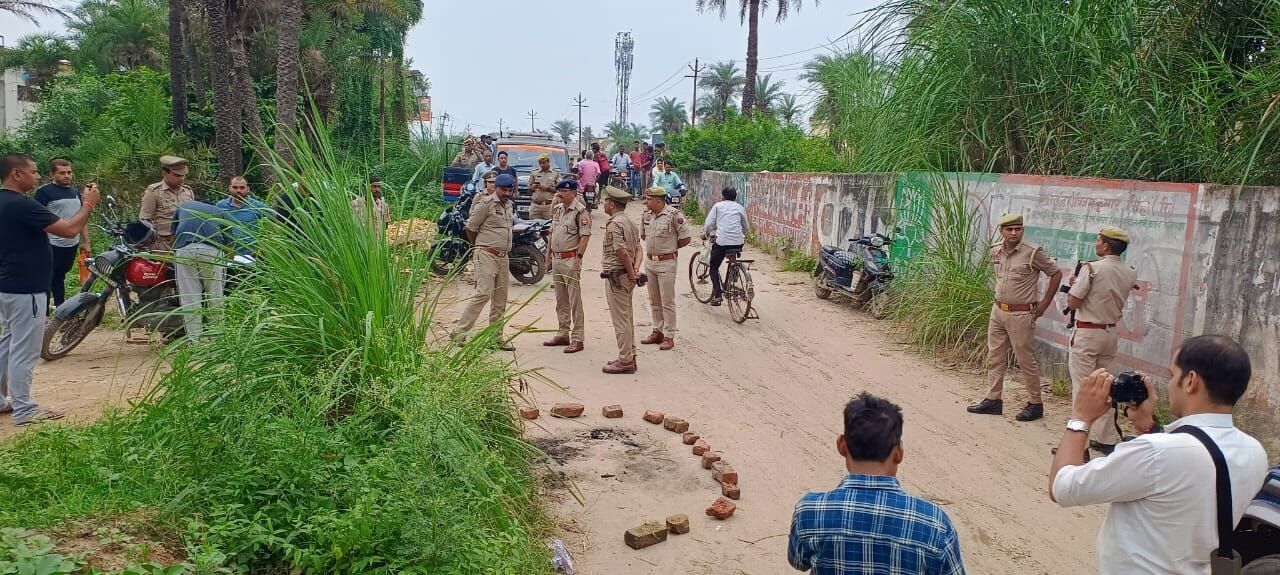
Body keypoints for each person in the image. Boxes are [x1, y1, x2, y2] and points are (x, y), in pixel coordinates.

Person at [1049, 335, 1269, 575]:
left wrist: (1080, 417)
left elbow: (1062, 487)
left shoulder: (1155, 452)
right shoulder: (1255, 452)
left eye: (1172, 375)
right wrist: (1148, 427)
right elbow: (1191, 472)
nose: (1170, 384)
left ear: (1191, 381)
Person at [789, 392, 966, 574]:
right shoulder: (935, 524)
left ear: (842, 445)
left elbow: (799, 562)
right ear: (899, 453)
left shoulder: (810, 511)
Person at [1, 152, 100, 425]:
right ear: (16, 174)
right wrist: (89, 203)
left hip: (7, 286)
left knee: (8, 343)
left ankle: (1, 400)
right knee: (25, 350)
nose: (37, 177)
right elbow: (68, 230)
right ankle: (24, 409)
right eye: (33, 172)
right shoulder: (23, 205)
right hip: (26, 288)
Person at [967, 214, 1062, 422]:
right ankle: (993, 400)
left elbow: (1055, 273)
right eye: (1009, 229)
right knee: (995, 356)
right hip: (998, 310)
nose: (1014, 233)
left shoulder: (1033, 252)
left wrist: (1044, 304)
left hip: (1021, 314)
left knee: (1025, 359)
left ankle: (1035, 403)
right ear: (1001, 231)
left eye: (1018, 229)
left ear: (1022, 231)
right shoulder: (995, 250)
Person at [1065, 226, 1139, 454]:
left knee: (1082, 388)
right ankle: (1106, 438)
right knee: (1106, 385)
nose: (1096, 243)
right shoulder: (1129, 271)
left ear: (1106, 245)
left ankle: (1080, 445)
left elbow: (1073, 302)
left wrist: (1074, 283)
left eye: (1098, 240)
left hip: (1087, 333)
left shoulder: (1092, 269)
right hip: (1110, 333)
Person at [452, 173, 516, 350]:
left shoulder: (509, 205)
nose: (507, 193)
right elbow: (471, 228)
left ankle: (495, 338)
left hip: (503, 257)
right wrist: (478, 246)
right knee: (483, 293)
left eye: (509, 190)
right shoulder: (485, 204)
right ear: (496, 188)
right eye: (503, 190)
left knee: (500, 298)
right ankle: (459, 332)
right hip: (486, 254)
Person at [34, 158, 92, 308]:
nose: (67, 176)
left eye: (69, 172)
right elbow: (38, 220)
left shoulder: (75, 192)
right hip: (52, 243)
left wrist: (86, 242)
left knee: (60, 275)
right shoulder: (43, 192)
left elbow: (82, 218)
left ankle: (60, 307)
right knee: (48, 277)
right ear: (52, 174)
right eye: (62, 173)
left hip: (71, 243)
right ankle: (44, 312)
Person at [543, 179, 591, 354]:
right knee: (560, 298)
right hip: (557, 259)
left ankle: (578, 337)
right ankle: (563, 332)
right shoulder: (557, 209)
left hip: (570, 258)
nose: (560, 194)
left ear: (573, 193)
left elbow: (585, 236)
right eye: (559, 191)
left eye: (564, 191)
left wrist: (579, 258)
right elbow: (552, 234)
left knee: (574, 299)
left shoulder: (580, 212)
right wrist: (548, 256)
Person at [640, 186, 691, 350]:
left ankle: (669, 335)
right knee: (654, 299)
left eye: (649, 200)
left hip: (666, 263)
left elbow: (686, 238)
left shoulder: (674, 215)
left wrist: (670, 248)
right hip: (650, 262)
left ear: (658, 201)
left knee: (667, 301)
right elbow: (643, 235)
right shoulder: (647, 215)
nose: (646, 202)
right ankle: (658, 330)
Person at [172, 201, 231, 340]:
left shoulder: (183, 206)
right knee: (215, 296)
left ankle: (195, 342)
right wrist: (227, 260)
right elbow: (230, 243)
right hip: (212, 251)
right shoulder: (220, 211)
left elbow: (173, 236)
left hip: (185, 250)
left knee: (190, 298)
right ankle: (217, 341)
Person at [600, 186, 640, 374]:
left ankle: (625, 360)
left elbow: (621, 252)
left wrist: (631, 273)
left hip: (617, 276)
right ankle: (629, 354)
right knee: (627, 317)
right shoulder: (630, 222)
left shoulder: (615, 224)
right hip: (626, 276)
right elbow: (638, 249)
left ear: (612, 204)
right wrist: (634, 271)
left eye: (606, 201)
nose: (604, 204)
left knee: (621, 320)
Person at [702, 187, 749, 306]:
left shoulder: (718, 206)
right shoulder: (740, 207)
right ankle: (734, 273)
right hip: (738, 241)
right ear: (735, 197)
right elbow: (746, 227)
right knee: (732, 252)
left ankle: (717, 296)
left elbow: (709, 224)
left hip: (722, 241)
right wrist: (739, 235)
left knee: (713, 267)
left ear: (723, 196)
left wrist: (706, 234)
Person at [139, 155, 196, 251]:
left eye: (184, 175)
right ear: (165, 173)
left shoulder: (188, 191)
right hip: (164, 245)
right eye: (177, 175)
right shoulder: (154, 192)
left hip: (186, 243)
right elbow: (144, 221)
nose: (181, 178)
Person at [215, 176, 268, 256]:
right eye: (235, 187)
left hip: (251, 254)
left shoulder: (257, 205)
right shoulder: (220, 205)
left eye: (242, 187)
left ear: (248, 189)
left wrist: (264, 245)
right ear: (229, 188)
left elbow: (277, 221)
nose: (238, 190)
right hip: (227, 253)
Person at [527, 154, 560, 220]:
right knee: (533, 225)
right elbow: (529, 188)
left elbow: (559, 190)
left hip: (549, 206)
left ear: (548, 161)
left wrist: (547, 188)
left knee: (549, 225)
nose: (542, 165)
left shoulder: (555, 173)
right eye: (540, 163)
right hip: (535, 206)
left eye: (543, 163)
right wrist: (533, 187)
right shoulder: (534, 172)